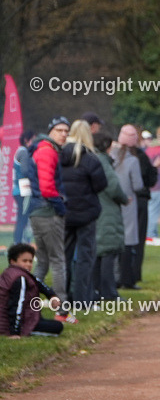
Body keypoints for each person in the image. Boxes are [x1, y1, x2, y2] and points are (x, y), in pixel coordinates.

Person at [26, 117, 70, 319]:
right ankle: (62, 310)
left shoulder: (42, 148)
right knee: (58, 261)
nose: (64, 134)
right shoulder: (47, 151)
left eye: (66, 131)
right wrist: (61, 207)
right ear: (50, 131)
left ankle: (26, 305)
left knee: (43, 262)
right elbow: (46, 188)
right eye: (59, 130)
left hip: (38, 211)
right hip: (48, 212)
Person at [60, 120, 107, 306]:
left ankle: (63, 297)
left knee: (64, 256)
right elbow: (101, 185)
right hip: (86, 213)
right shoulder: (90, 159)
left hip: (65, 212)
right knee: (85, 258)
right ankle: (82, 299)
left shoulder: (59, 155)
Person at [91, 132, 130, 301]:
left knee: (99, 251)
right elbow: (113, 187)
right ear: (106, 147)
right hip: (107, 211)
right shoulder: (103, 162)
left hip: (98, 208)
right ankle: (109, 292)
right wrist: (124, 198)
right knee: (108, 251)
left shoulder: (93, 159)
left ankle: (97, 289)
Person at [118, 125, 157, 283]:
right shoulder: (139, 157)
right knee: (136, 240)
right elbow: (146, 182)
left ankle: (118, 275)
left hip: (118, 201)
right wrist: (155, 169)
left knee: (120, 238)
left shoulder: (114, 156)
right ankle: (132, 275)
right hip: (137, 200)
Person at [0, 244, 64, 337]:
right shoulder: (19, 278)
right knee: (58, 326)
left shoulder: (11, 272)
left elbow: (40, 284)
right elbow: (16, 305)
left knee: (45, 321)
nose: (28, 264)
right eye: (24, 261)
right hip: (16, 325)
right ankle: (22, 330)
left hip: (24, 318)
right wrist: (15, 332)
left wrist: (52, 296)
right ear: (13, 261)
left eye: (30, 261)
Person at [112, 135, 144, 289]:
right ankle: (126, 278)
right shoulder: (133, 161)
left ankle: (114, 277)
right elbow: (137, 185)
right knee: (128, 242)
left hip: (112, 203)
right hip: (128, 203)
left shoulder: (111, 158)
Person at [12, 129, 35, 245]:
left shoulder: (19, 151)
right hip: (23, 190)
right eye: (33, 140)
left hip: (18, 190)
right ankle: (20, 242)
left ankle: (20, 241)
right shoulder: (24, 152)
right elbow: (25, 171)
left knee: (22, 217)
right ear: (26, 140)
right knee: (23, 218)